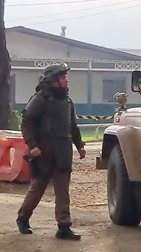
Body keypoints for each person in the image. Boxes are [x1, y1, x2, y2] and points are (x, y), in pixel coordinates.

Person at [16, 64, 87, 240]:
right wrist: (32, 145)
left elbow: (73, 126)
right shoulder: (40, 99)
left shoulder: (67, 102)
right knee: (37, 189)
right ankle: (23, 218)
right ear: (53, 80)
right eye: (62, 77)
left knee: (63, 191)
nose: (66, 80)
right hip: (44, 154)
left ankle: (64, 226)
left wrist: (80, 145)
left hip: (63, 153)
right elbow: (27, 121)